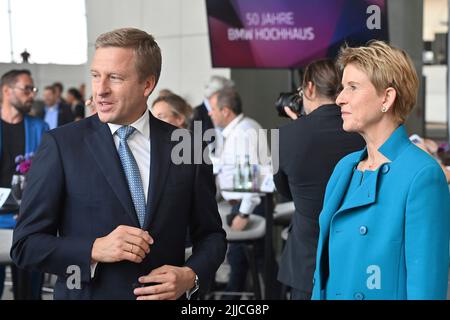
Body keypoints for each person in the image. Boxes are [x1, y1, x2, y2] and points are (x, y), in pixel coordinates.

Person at [11, 27, 226, 300]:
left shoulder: (189, 146)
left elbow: (211, 236)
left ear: (147, 85)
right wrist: (94, 249)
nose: (100, 90)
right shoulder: (62, 145)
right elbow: (26, 245)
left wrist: (190, 275)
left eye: (115, 77)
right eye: (95, 76)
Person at [312, 41, 450, 300]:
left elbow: (427, 287)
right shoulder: (345, 168)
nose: (340, 98)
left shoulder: (422, 175)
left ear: (386, 97)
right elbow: (323, 275)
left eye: (352, 88)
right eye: (342, 88)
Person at [274, 59, 365, 300]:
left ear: (310, 88)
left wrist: (298, 127)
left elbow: (284, 191)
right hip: (358, 253)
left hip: (308, 259)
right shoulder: (363, 131)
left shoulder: (281, 137)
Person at [209, 87, 278, 298]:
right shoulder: (240, 130)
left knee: (249, 261)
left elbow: (249, 177)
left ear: (226, 110)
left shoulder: (242, 133)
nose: (210, 113)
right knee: (254, 261)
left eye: (213, 109)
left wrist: (244, 213)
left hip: (248, 205)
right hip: (245, 203)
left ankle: (235, 298)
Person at [0, 69, 48, 299]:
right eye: (27, 89)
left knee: (29, 293)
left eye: (33, 89)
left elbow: (49, 178)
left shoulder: (41, 129)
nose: (32, 94)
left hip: (28, 223)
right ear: (7, 91)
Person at [190, 75, 234, 142]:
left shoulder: (226, 112)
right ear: (216, 94)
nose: (230, 98)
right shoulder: (197, 114)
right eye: (228, 94)